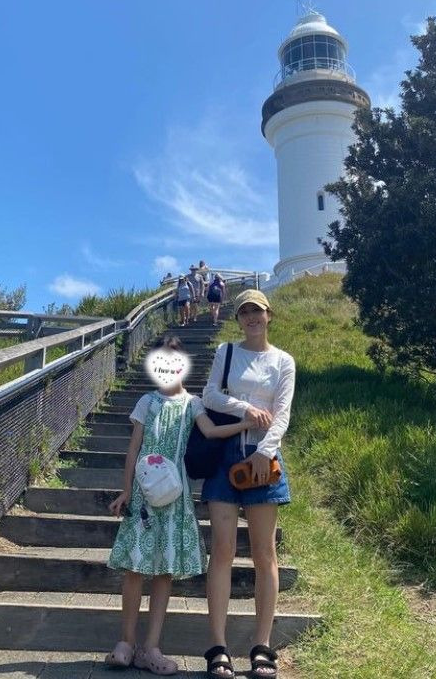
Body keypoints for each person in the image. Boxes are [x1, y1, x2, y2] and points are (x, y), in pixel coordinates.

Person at [106, 336, 259, 675]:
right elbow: (134, 448)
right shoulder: (147, 401)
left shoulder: (193, 403)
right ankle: (126, 643)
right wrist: (125, 491)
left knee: (164, 572)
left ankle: (151, 648)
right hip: (146, 496)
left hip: (175, 498)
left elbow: (211, 431)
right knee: (134, 569)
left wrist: (247, 423)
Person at [201, 290, 295, 679]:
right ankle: (218, 647)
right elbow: (209, 396)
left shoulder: (283, 361)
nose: (252, 317)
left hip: (265, 460)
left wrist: (265, 451)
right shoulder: (225, 353)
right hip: (225, 455)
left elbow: (283, 412)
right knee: (222, 551)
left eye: (257, 310)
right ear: (238, 318)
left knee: (264, 555)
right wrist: (245, 409)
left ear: (269, 316)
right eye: (245, 312)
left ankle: (262, 646)